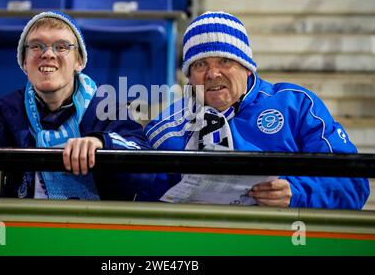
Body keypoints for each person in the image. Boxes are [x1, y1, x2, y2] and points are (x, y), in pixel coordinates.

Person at [141, 11, 370, 209]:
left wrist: (297, 194)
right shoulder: (165, 129)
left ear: (247, 68)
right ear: (189, 77)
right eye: (200, 65)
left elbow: (354, 184)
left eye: (224, 61)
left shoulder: (296, 106)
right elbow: (143, 202)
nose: (212, 74)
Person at [0, 11, 150, 200]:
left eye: (61, 46)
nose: (48, 54)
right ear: (24, 62)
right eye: (36, 46)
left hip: (97, 235)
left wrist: (101, 144)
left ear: (79, 62)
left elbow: (143, 168)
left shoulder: (108, 107)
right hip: (24, 233)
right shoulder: (5, 110)